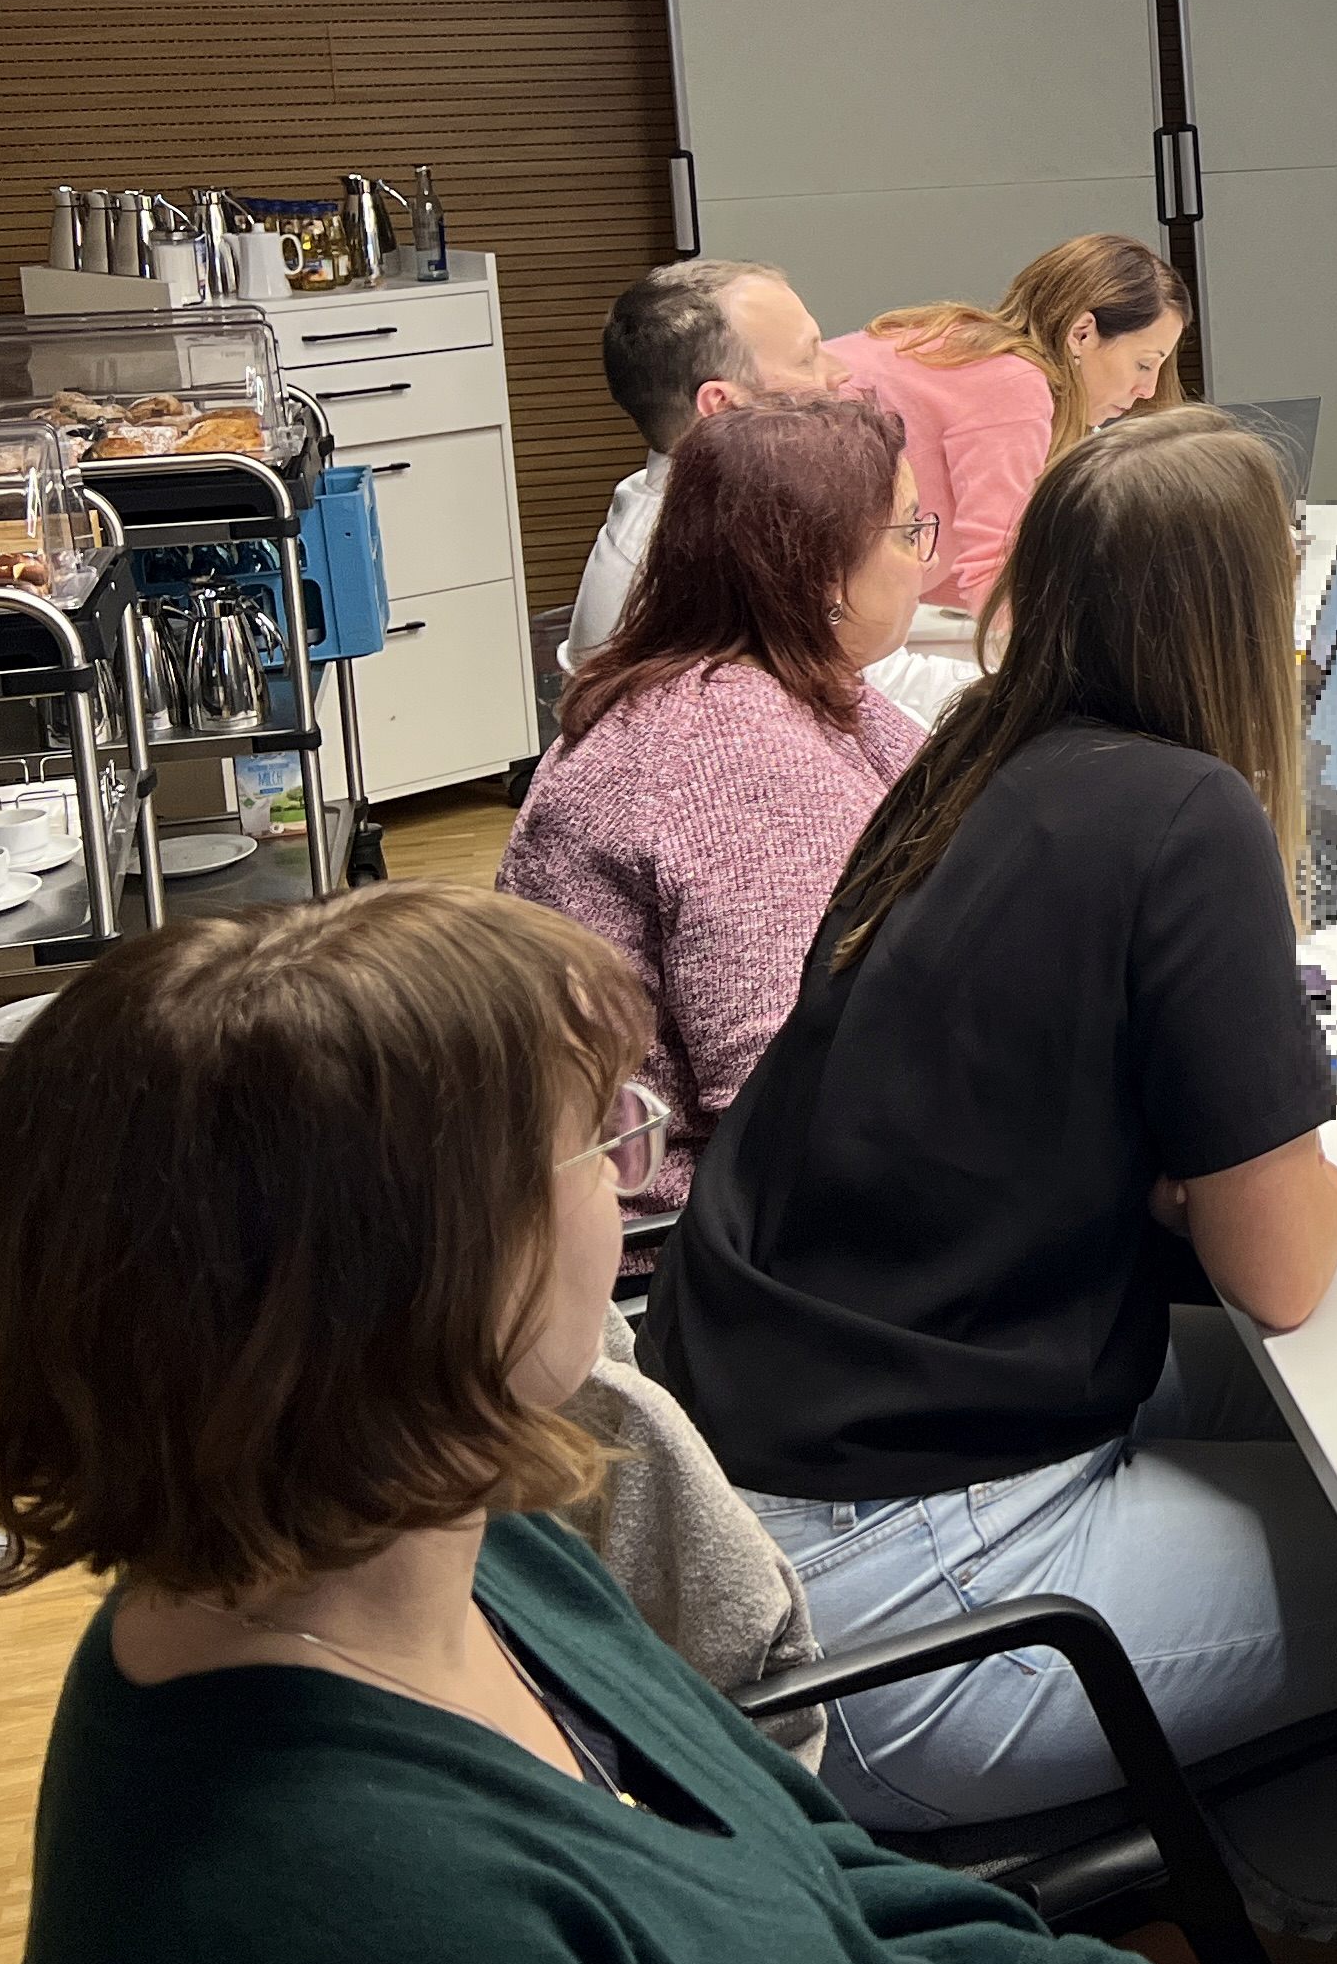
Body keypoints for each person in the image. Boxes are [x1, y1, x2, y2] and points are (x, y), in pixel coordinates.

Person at [0, 883, 1149, 1964]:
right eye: (604, 1137)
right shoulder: (380, 1919)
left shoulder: (461, 1539)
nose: (631, 1179)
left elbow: (814, 1871)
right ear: (427, 1274)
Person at [644, 410, 1337, 1929]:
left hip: (771, 1500)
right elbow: (1288, 1270)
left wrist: (1192, 1176)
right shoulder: (1187, 814)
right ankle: (1218, 1914)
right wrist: (1260, 1177)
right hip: (906, 1603)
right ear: (1246, 611)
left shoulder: (972, 755)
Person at [498, 398, 930, 1227]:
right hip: (695, 1238)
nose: (925, 564)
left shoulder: (756, 680)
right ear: (823, 574)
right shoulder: (732, 756)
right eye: (909, 533)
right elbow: (792, 1093)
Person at [828, 233, 1189, 614]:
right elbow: (991, 574)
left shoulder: (977, 354)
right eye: (1144, 364)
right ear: (1081, 333)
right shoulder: (1015, 384)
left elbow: (952, 573)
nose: (1148, 389)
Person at [568, 259, 843, 674]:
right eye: (808, 359)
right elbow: (869, 689)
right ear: (723, 405)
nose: (840, 374)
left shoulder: (692, 508)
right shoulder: (701, 561)